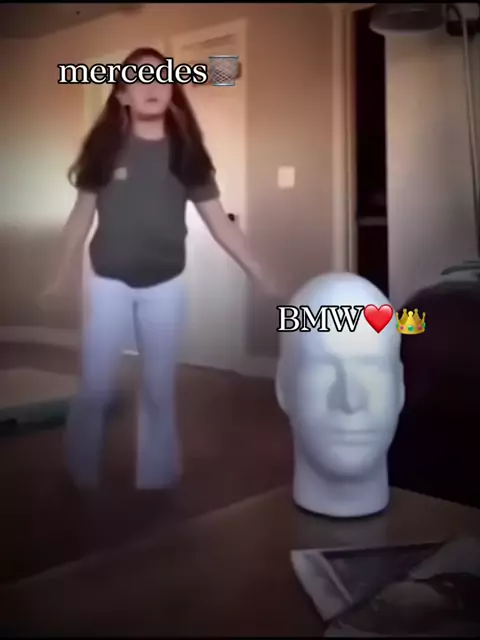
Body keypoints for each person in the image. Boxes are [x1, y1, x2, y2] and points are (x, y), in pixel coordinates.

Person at [42, 47, 284, 490]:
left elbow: (220, 224)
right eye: (139, 78)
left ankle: (157, 478)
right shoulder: (104, 151)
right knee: (96, 385)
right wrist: (59, 274)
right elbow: (79, 218)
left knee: (158, 388)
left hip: (165, 285)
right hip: (108, 282)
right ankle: (80, 471)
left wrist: (259, 272)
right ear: (122, 95)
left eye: (160, 77)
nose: (151, 86)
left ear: (172, 90)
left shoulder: (186, 154)